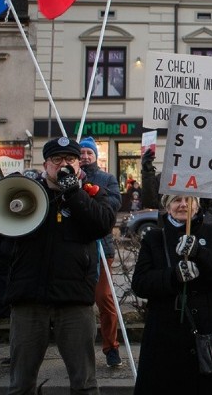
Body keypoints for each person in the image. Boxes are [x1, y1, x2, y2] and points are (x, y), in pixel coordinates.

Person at [5, 137, 117, 395]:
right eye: (57, 159)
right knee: (21, 384)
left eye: (70, 159)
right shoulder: (28, 192)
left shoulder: (90, 194)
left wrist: (74, 193)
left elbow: (102, 224)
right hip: (29, 299)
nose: (63, 164)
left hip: (74, 300)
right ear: (46, 164)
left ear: (80, 165)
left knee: (85, 383)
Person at [131, 194, 212, 394]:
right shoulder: (154, 237)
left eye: (189, 200)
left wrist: (199, 251)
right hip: (164, 332)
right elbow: (140, 284)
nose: (183, 205)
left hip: (205, 327)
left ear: (197, 205)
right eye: (176, 200)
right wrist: (173, 275)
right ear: (167, 206)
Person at [79, 136, 124, 368]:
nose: (85, 157)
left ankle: (111, 347)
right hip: (75, 248)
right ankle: (79, 350)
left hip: (100, 247)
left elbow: (114, 204)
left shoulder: (106, 178)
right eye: (82, 153)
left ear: (95, 156)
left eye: (89, 153)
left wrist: (93, 190)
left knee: (104, 298)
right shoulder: (69, 176)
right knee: (77, 303)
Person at [140, 148, 212, 223]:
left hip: (197, 233)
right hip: (168, 234)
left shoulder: (204, 177)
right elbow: (150, 202)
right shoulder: (165, 177)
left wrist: (205, 227)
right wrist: (147, 172)